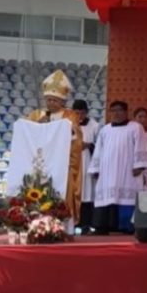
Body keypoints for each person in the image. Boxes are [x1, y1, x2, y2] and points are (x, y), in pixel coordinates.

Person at [23, 70, 83, 224]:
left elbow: (75, 136)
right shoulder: (37, 114)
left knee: (62, 192)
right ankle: (38, 224)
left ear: (62, 102)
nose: (50, 103)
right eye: (48, 99)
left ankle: (63, 226)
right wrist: (38, 126)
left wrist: (66, 129)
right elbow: (27, 133)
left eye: (54, 100)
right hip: (42, 162)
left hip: (62, 163)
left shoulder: (70, 115)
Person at [88, 100, 147, 234]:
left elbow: (141, 146)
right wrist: (96, 168)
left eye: (119, 110)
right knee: (106, 195)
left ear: (126, 112)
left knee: (126, 196)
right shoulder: (105, 129)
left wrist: (139, 165)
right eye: (113, 110)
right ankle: (102, 227)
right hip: (107, 170)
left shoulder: (135, 127)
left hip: (128, 170)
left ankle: (126, 227)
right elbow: (98, 149)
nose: (116, 113)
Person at [73, 99, 100, 232]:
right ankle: (73, 222)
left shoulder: (94, 126)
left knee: (87, 192)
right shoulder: (68, 125)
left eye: (82, 113)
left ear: (86, 112)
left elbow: (100, 146)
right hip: (73, 163)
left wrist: (89, 145)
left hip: (88, 161)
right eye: (76, 113)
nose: (79, 116)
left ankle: (86, 224)